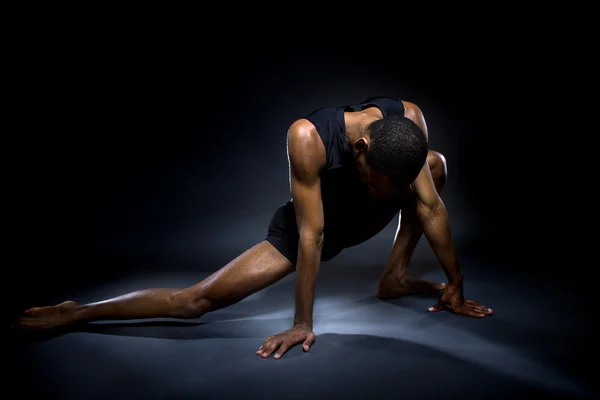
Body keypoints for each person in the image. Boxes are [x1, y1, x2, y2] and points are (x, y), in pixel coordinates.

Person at [15, 96, 493, 359]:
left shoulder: (408, 121)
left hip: (360, 218)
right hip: (313, 226)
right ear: (362, 149)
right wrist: (303, 322)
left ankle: (393, 278)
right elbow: (313, 236)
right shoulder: (308, 137)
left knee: (436, 165)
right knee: (195, 302)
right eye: (377, 183)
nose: (385, 191)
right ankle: (78, 312)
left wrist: (456, 283)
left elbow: (429, 207)